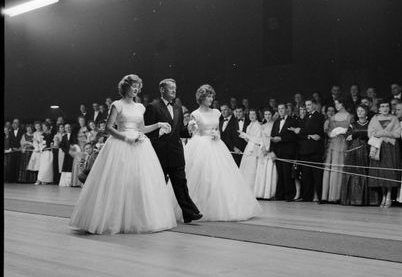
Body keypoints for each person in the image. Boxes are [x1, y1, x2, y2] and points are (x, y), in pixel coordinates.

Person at [70, 74, 178, 234]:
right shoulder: (117, 105)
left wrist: (158, 124)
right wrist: (126, 138)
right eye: (133, 86)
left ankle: (136, 219)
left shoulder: (141, 107)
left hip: (139, 145)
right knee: (117, 182)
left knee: (138, 182)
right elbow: (109, 128)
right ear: (125, 87)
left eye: (137, 87)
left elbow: (141, 129)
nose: (135, 89)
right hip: (121, 144)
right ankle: (111, 219)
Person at [185, 84, 261, 220]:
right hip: (201, 145)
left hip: (216, 145)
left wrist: (217, 134)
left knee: (220, 176)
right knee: (202, 177)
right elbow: (194, 133)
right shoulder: (195, 114)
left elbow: (218, 129)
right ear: (201, 98)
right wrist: (194, 129)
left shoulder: (216, 112)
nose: (211, 99)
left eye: (212, 96)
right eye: (208, 96)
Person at [145, 78, 202, 224]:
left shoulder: (177, 107)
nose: (174, 91)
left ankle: (189, 213)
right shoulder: (153, 107)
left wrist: (189, 130)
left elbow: (179, 131)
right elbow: (147, 132)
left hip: (176, 151)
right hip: (160, 153)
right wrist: (158, 134)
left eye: (175, 88)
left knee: (181, 183)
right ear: (162, 90)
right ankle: (155, 215)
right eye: (171, 88)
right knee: (159, 184)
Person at [340, 105, 379, 205]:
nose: (360, 112)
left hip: (366, 151)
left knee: (366, 172)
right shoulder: (352, 124)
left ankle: (368, 199)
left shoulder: (371, 124)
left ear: (366, 112)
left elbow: (372, 135)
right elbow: (347, 136)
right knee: (353, 172)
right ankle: (353, 199)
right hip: (354, 152)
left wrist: (355, 134)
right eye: (358, 111)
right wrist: (359, 134)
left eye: (362, 111)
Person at [367, 100, 402, 208]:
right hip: (379, 148)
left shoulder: (394, 118)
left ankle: (389, 195)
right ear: (379, 108)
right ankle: (383, 196)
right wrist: (383, 134)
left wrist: (383, 133)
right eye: (382, 106)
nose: (385, 108)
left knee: (389, 172)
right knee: (380, 173)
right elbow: (370, 133)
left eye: (387, 106)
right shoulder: (375, 118)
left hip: (391, 148)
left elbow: (398, 134)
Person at [321, 99, 352, 203]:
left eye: (338, 103)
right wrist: (331, 133)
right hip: (334, 143)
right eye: (335, 104)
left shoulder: (350, 116)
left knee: (342, 166)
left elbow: (352, 129)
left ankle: (341, 196)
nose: (336, 105)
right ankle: (331, 196)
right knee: (333, 167)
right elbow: (328, 131)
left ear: (343, 103)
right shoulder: (332, 117)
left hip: (345, 143)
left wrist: (345, 131)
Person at [296, 99, 325, 202]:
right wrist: (308, 135)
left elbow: (316, 131)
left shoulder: (320, 117)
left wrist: (302, 132)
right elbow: (301, 133)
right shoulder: (304, 118)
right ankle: (306, 197)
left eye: (309, 105)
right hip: (305, 149)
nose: (307, 107)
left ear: (314, 105)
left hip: (315, 150)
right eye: (306, 105)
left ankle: (321, 197)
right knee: (306, 175)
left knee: (317, 175)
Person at [269, 103, 297, 201]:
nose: (280, 110)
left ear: (286, 109)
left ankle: (290, 195)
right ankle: (280, 195)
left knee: (287, 173)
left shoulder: (292, 121)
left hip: (288, 151)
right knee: (280, 174)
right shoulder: (276, 122)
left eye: (282, 108)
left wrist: (281, 138)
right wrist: (272, 151)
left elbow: (294, 137)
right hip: (278, 151)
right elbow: (271, 137)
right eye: (279, 109)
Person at [254, 109, 278, 199]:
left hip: (271, 150)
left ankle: (268, 194)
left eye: (269, 114)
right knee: (261, 171)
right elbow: (260, 139)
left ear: (272, 115)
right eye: (266, 114)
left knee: (269, 171)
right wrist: (263, 148)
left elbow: (273, 139)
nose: (267, 116)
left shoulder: (275, 125)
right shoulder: (262, 126)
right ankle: (260, 193)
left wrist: (270, 149)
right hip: (263, 150)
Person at [239, 109, 263, 190]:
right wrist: (244, 136)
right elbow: (249, 140)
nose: (251, 116)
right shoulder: (249, 125)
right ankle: (245, 188)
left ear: (257, 115)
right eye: (250, 114)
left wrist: (246, 135)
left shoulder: (258, 125)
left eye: (253, 114)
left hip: (255, 148)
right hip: (249, 146)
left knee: (252, 167)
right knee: (246, 167)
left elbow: (258, 140)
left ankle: (252, 189)